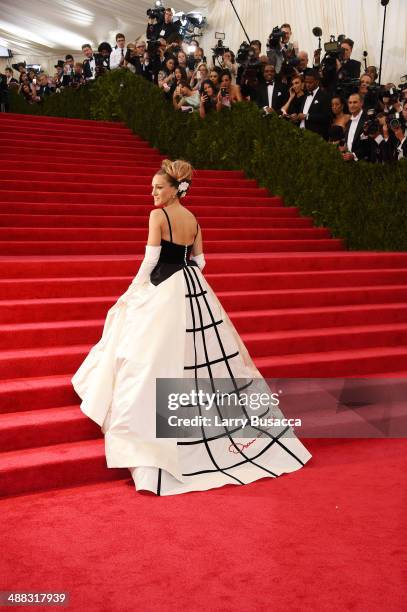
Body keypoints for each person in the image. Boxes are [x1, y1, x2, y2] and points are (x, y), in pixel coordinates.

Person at [71, 159, 312, 496]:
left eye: (158, 187)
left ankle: (149, 439)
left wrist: (132, 292)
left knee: (150, 356)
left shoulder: (159, 216)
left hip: (164, 290)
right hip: (192, 288)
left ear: (175, 190)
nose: (152, 192)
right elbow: (200, 262)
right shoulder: (193, 219)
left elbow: (151, 261)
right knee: (201, 356)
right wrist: (186, 277)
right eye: (153, 187)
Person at [297, 68, 331, 139]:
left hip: (314, 136)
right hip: (301, 133)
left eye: (310, 82)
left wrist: (307, 116)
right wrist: (297, 116)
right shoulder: (305, 95)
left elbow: (326, 117)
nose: (307, 85)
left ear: (317, 82)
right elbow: (302, 113)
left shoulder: (324, 96)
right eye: (306, 82)